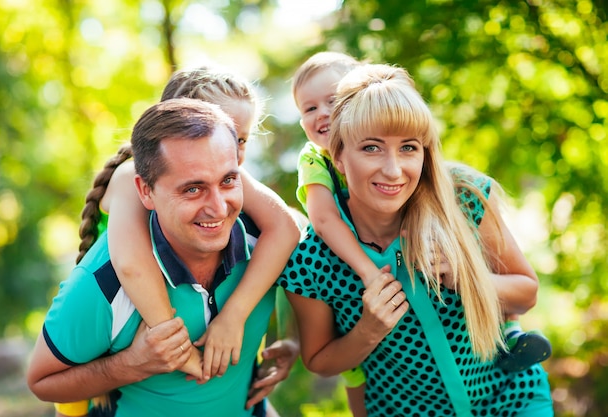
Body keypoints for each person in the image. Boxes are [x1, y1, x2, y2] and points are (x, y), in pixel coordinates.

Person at [279, 63, 554, 416]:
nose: (394, 170)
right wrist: (369, 329)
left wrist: (465, 278)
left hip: (513, 399)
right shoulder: (312, 259)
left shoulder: (462, 198)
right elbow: (319, 361)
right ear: (339, 157)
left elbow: (526, 292)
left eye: (408, 148)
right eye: (372, 148)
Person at [52, 67, 301, 417]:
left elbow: (289, 230)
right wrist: (175, 345)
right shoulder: (130, 177)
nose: (229, 146)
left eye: (241, 139)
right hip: (100, 342)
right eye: (219, 127)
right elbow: (130, 263)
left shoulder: (227, 177)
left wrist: (237, 317)